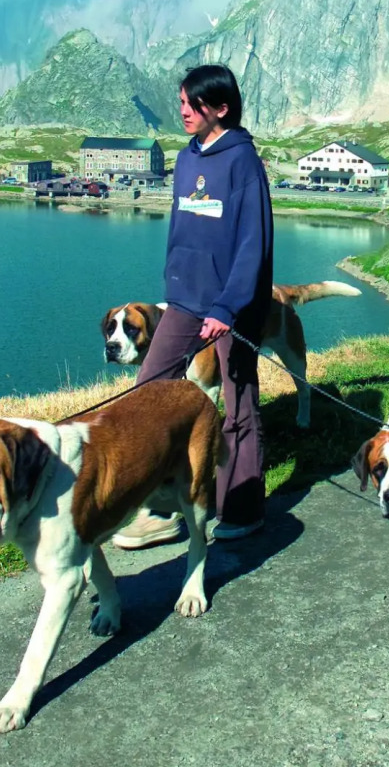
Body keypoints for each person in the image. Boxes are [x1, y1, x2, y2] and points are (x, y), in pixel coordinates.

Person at [113, 64, 274, 549]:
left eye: (192, 103)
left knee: (237, 402)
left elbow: (254, 243)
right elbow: (182, 230)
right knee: (149, 391)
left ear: (220, 108)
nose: (182, 110)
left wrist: (227, 307)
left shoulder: (242, 161)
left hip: (233, 307)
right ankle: (164, 509)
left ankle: (241, 508)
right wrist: (174, 279)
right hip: (184, 300)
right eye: (180, 101)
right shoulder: (186, 159)